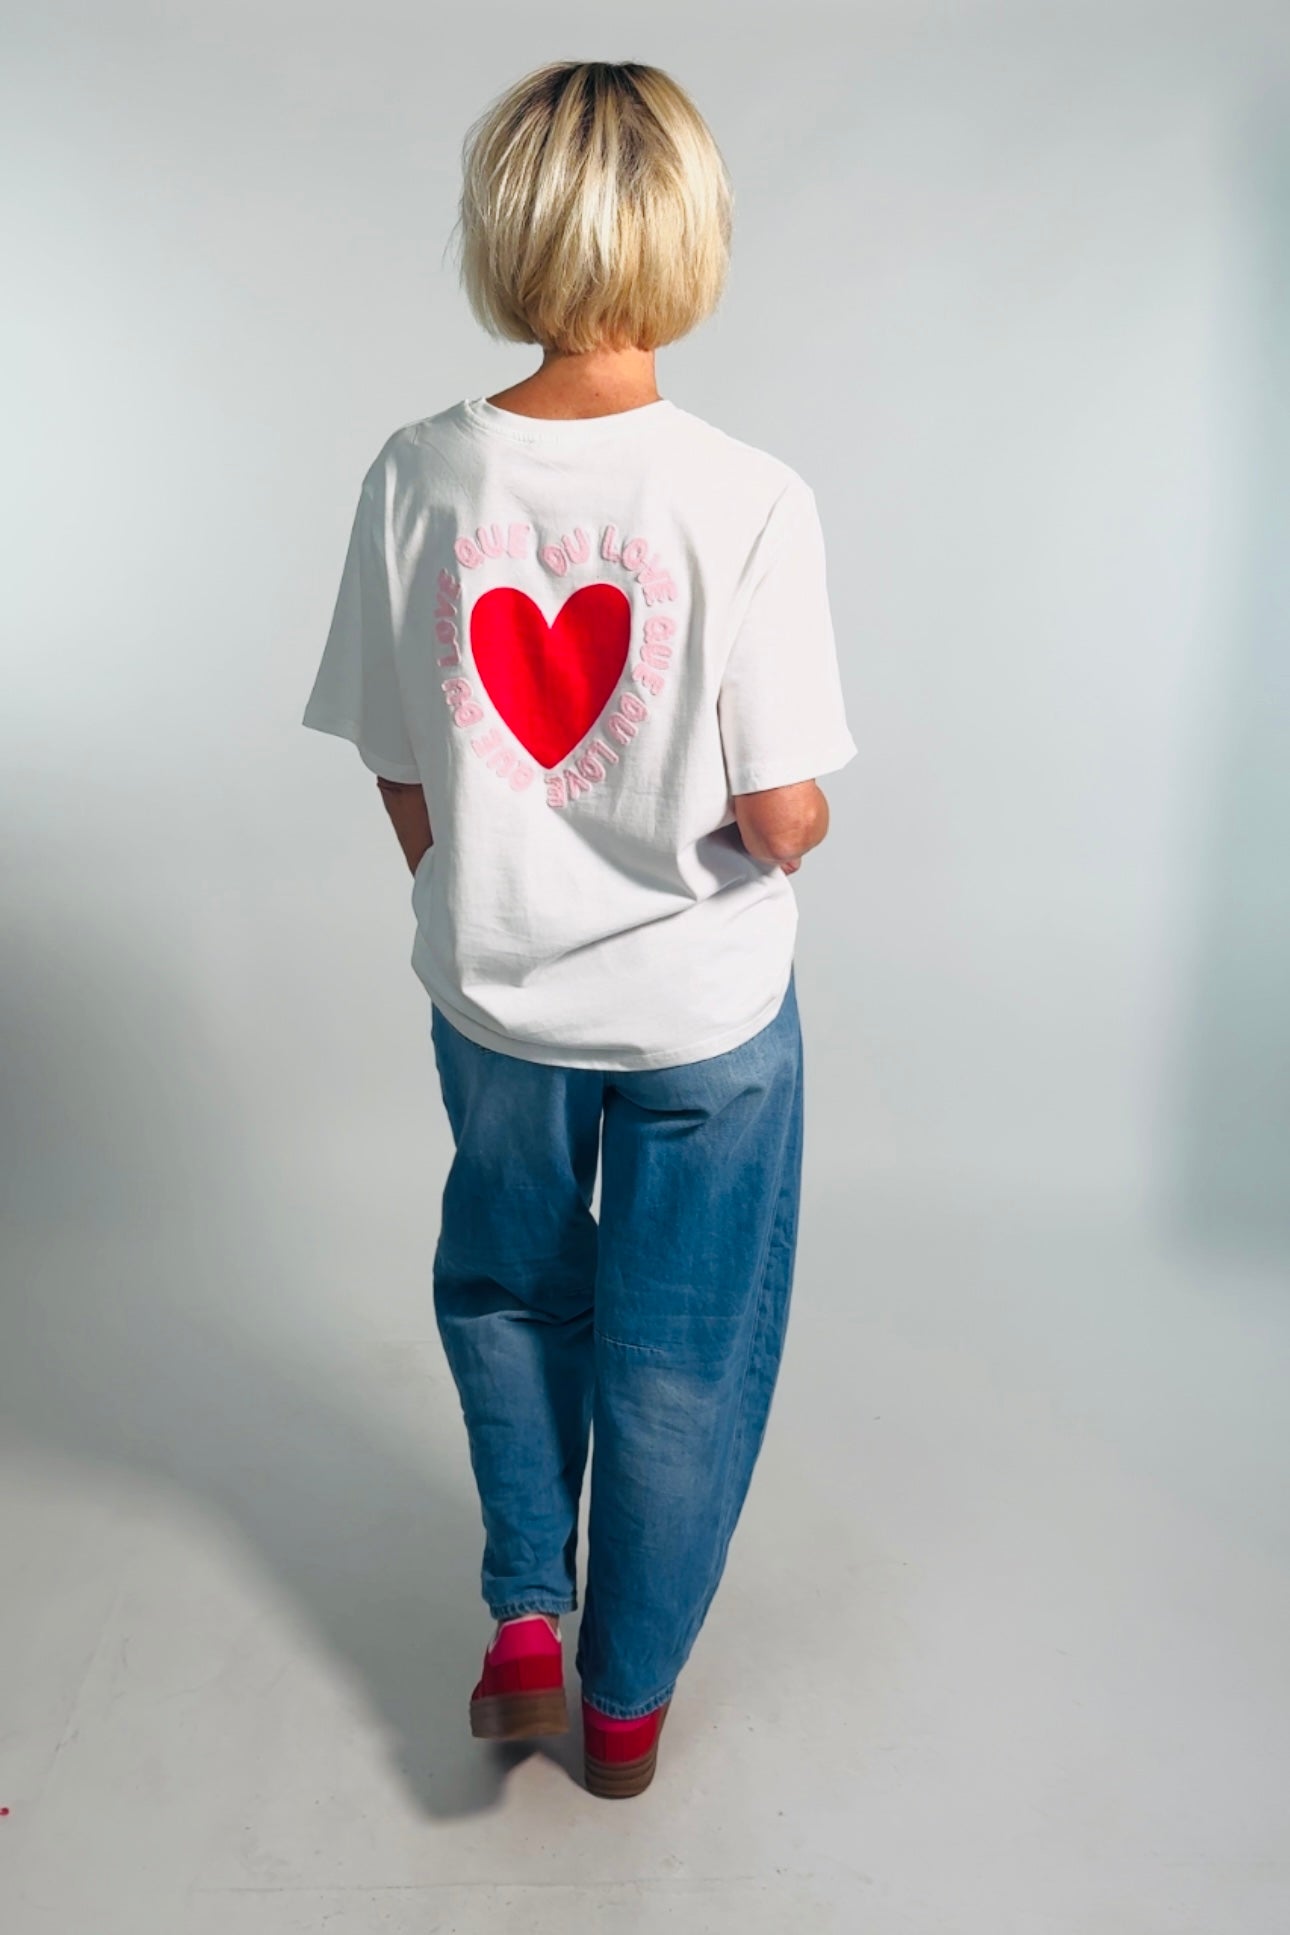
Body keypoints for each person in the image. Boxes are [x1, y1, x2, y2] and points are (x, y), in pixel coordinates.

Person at [301, 59, 858, 1800]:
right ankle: (621, 1712)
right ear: (688, 239)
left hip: (496, 1005)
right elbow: (779, 814)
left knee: (508, 1291)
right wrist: (781, 824)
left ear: (505, 231)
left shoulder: (417, 473)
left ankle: (526, 1618)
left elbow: (400, 763)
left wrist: (479, 889)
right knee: (678, 1355)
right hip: (704, 1017)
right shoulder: (747, 496)